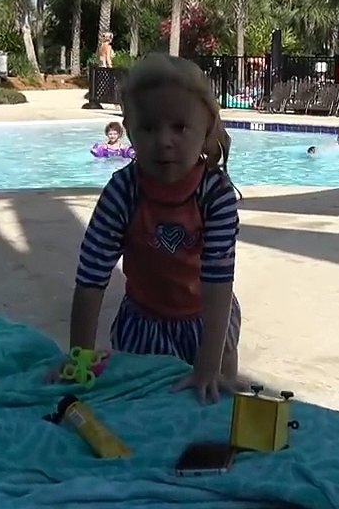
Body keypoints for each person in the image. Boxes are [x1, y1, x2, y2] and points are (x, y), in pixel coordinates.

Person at [66, 53, 241, 404]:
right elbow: (91, 278)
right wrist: (80, 358)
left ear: (206, 129)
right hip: (142, 321)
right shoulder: (122, 192)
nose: (163, 140)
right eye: (148, 127)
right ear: (130, 130)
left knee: (213, 400)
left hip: (206, 321)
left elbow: (218, 283)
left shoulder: (214, 195)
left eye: (179, 127)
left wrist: (209, 365)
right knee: (143, 404)